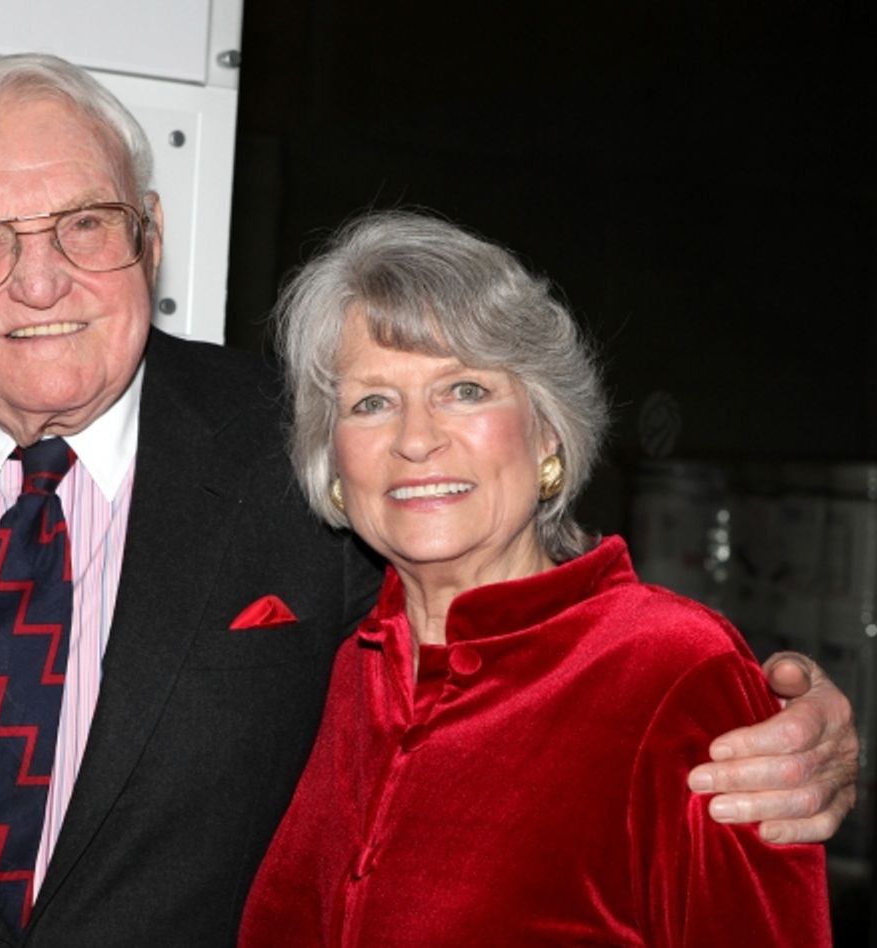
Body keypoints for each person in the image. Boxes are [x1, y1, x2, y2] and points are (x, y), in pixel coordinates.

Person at [0, 56, 854, 948]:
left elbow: (527, 632)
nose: (38, 279)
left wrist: (793, 718)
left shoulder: (303, 452)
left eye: (85, 225)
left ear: (150, 239)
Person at [237, 210, 834, 946]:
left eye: (464, 390)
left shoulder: (671, 671)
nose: (417, 438)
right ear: (333, 466)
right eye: (372, 403)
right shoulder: (337, 674)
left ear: (548, 433)